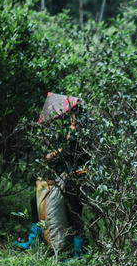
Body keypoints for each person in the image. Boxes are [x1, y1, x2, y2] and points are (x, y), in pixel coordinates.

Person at [14, 93, 88, 257]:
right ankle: (34, 240)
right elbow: (69, 147)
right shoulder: (73, 122)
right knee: (36, 200)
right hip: (66, 172)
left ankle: (78, 251)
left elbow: (77, 150)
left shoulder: (83, 124)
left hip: (78, 173)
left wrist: (56, 154)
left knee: (74, 209)